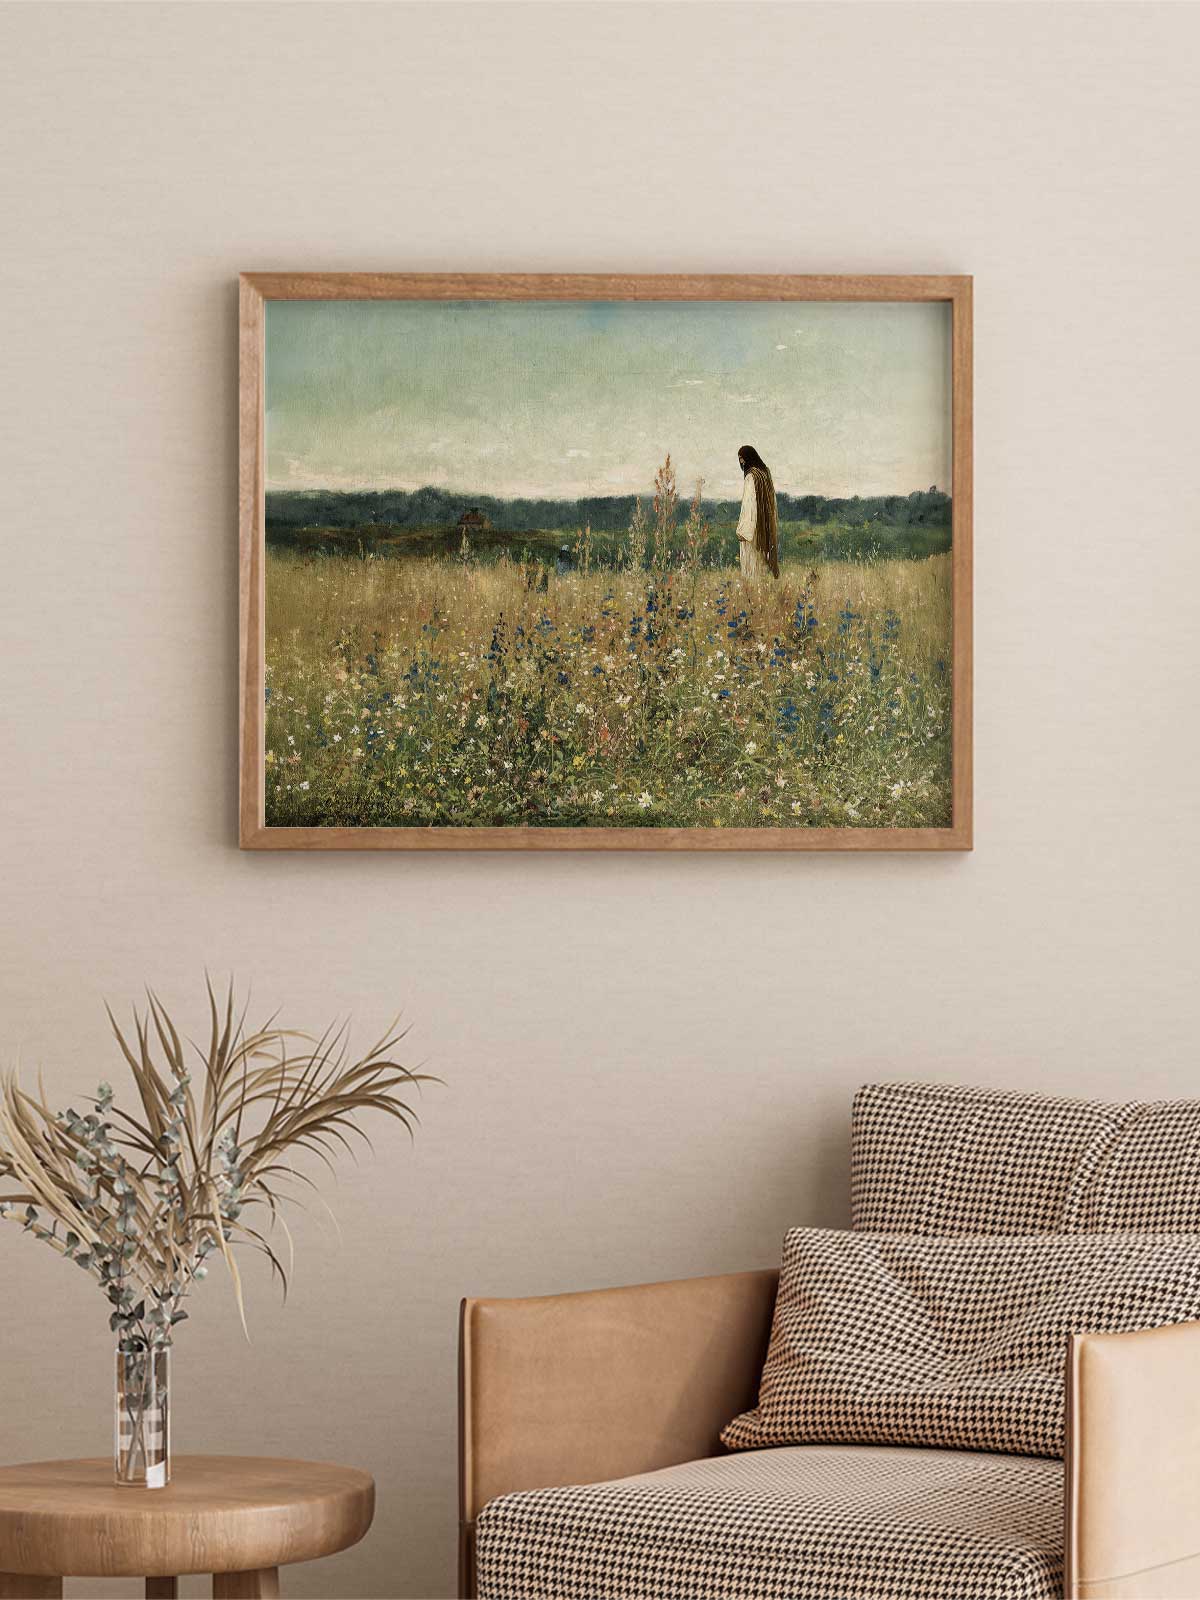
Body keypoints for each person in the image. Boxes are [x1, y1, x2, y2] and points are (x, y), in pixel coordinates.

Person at [735, 445, 780, 579]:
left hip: (753, 532)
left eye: (742, 458)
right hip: (765, 528)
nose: (741, 462)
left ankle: (753, 596)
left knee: (752, 569)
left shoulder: (751, 476)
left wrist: (743, 531)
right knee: (762, 566)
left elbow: (749, 505)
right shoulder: (765, 474)